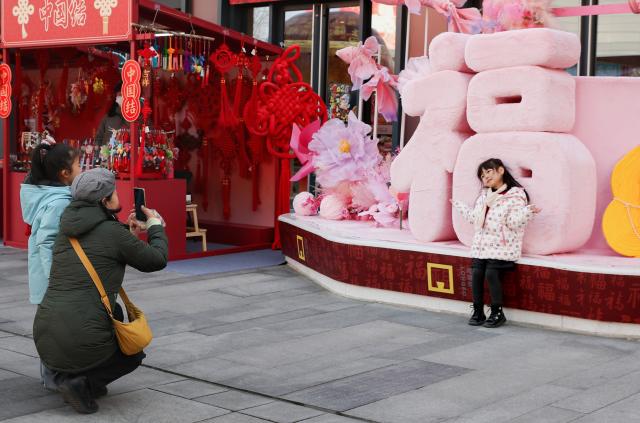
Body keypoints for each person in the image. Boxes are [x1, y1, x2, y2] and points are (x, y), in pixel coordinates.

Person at [33, 168, 168, 414]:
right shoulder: (112, 233)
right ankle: (80, 383)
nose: (118, 195)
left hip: (45, 334)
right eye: (113, 192)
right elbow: (156, 259)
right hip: (77, 336)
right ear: (104, 201)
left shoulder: (67, 229)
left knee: (112, 310)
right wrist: (156, 226)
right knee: (133, 352)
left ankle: (78, 375)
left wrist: (127, 235)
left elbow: (98, 248)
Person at [20, 140, 81, 390]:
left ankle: (52, 375)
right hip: (52, 281)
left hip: (46, 279)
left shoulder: (44, 194)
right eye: (78, 165)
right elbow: (47, 243)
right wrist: (58, 281)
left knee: (52, 329)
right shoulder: (58, 202)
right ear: (64, 174)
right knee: (58, 331)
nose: (82, 169)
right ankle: (56, 378)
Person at [451, 158, 541, 328]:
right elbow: (476, 219)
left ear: (500, 171)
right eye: (482, 175)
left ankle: (497, 313)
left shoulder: (515, 195)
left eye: (488, 172)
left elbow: (514, 222)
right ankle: (478, 311)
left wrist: (528, 212)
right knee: (477, 273)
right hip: (481, 246)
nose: (485, 177)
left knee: (491, 274)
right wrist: (460, 207)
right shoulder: (484, 197)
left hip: (503, 247)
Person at [95, 82, 127, 146]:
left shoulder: (136, 116)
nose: (121, 97)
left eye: (123, 94)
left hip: (128, 153)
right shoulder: (108, 117)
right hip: (107, 153)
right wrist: (98, 151)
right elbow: (98, 137)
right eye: (119, 95)